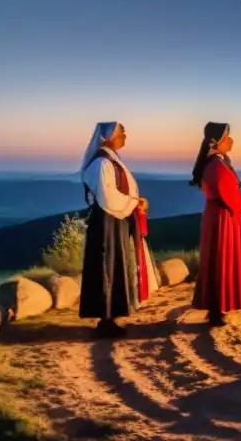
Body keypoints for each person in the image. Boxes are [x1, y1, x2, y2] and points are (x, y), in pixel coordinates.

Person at [78, 122, 160, 338]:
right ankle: (106, 320)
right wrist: (135, 202)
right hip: (107, 221)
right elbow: (107, 196)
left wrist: (134, 202)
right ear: (108, 137)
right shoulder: (102, 163)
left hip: (114, 219)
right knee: (107, 266)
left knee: (113, 265)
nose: (125, 136)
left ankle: (111, 316)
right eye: (121, 133)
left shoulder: (109, 160)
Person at [191, 122, 241, 326]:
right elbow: (222, 189)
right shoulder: (215, 163)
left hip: (224, 214)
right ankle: (216, 308)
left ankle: (219, 306)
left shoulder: (221, 161)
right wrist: (239, 206)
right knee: (220, 258)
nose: (231, 140)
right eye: (228, 137)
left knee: (221, 258)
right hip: (222, 217)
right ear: (219, 142)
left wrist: (240, 204)